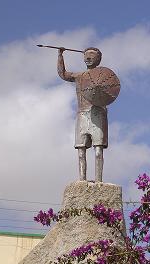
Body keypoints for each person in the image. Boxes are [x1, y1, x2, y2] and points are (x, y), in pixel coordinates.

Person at [57, 47, 109, 182]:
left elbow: (111, 89)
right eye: (86, 55)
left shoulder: (103, 77)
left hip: (98, 113)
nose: (88, 58)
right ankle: (82, 180)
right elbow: (63, 74)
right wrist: (60, 56)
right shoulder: (79, 76)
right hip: (82, 114)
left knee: (98, 150)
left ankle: (99, 181)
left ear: (98, 59)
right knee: (81, 150)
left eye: (92, 55)